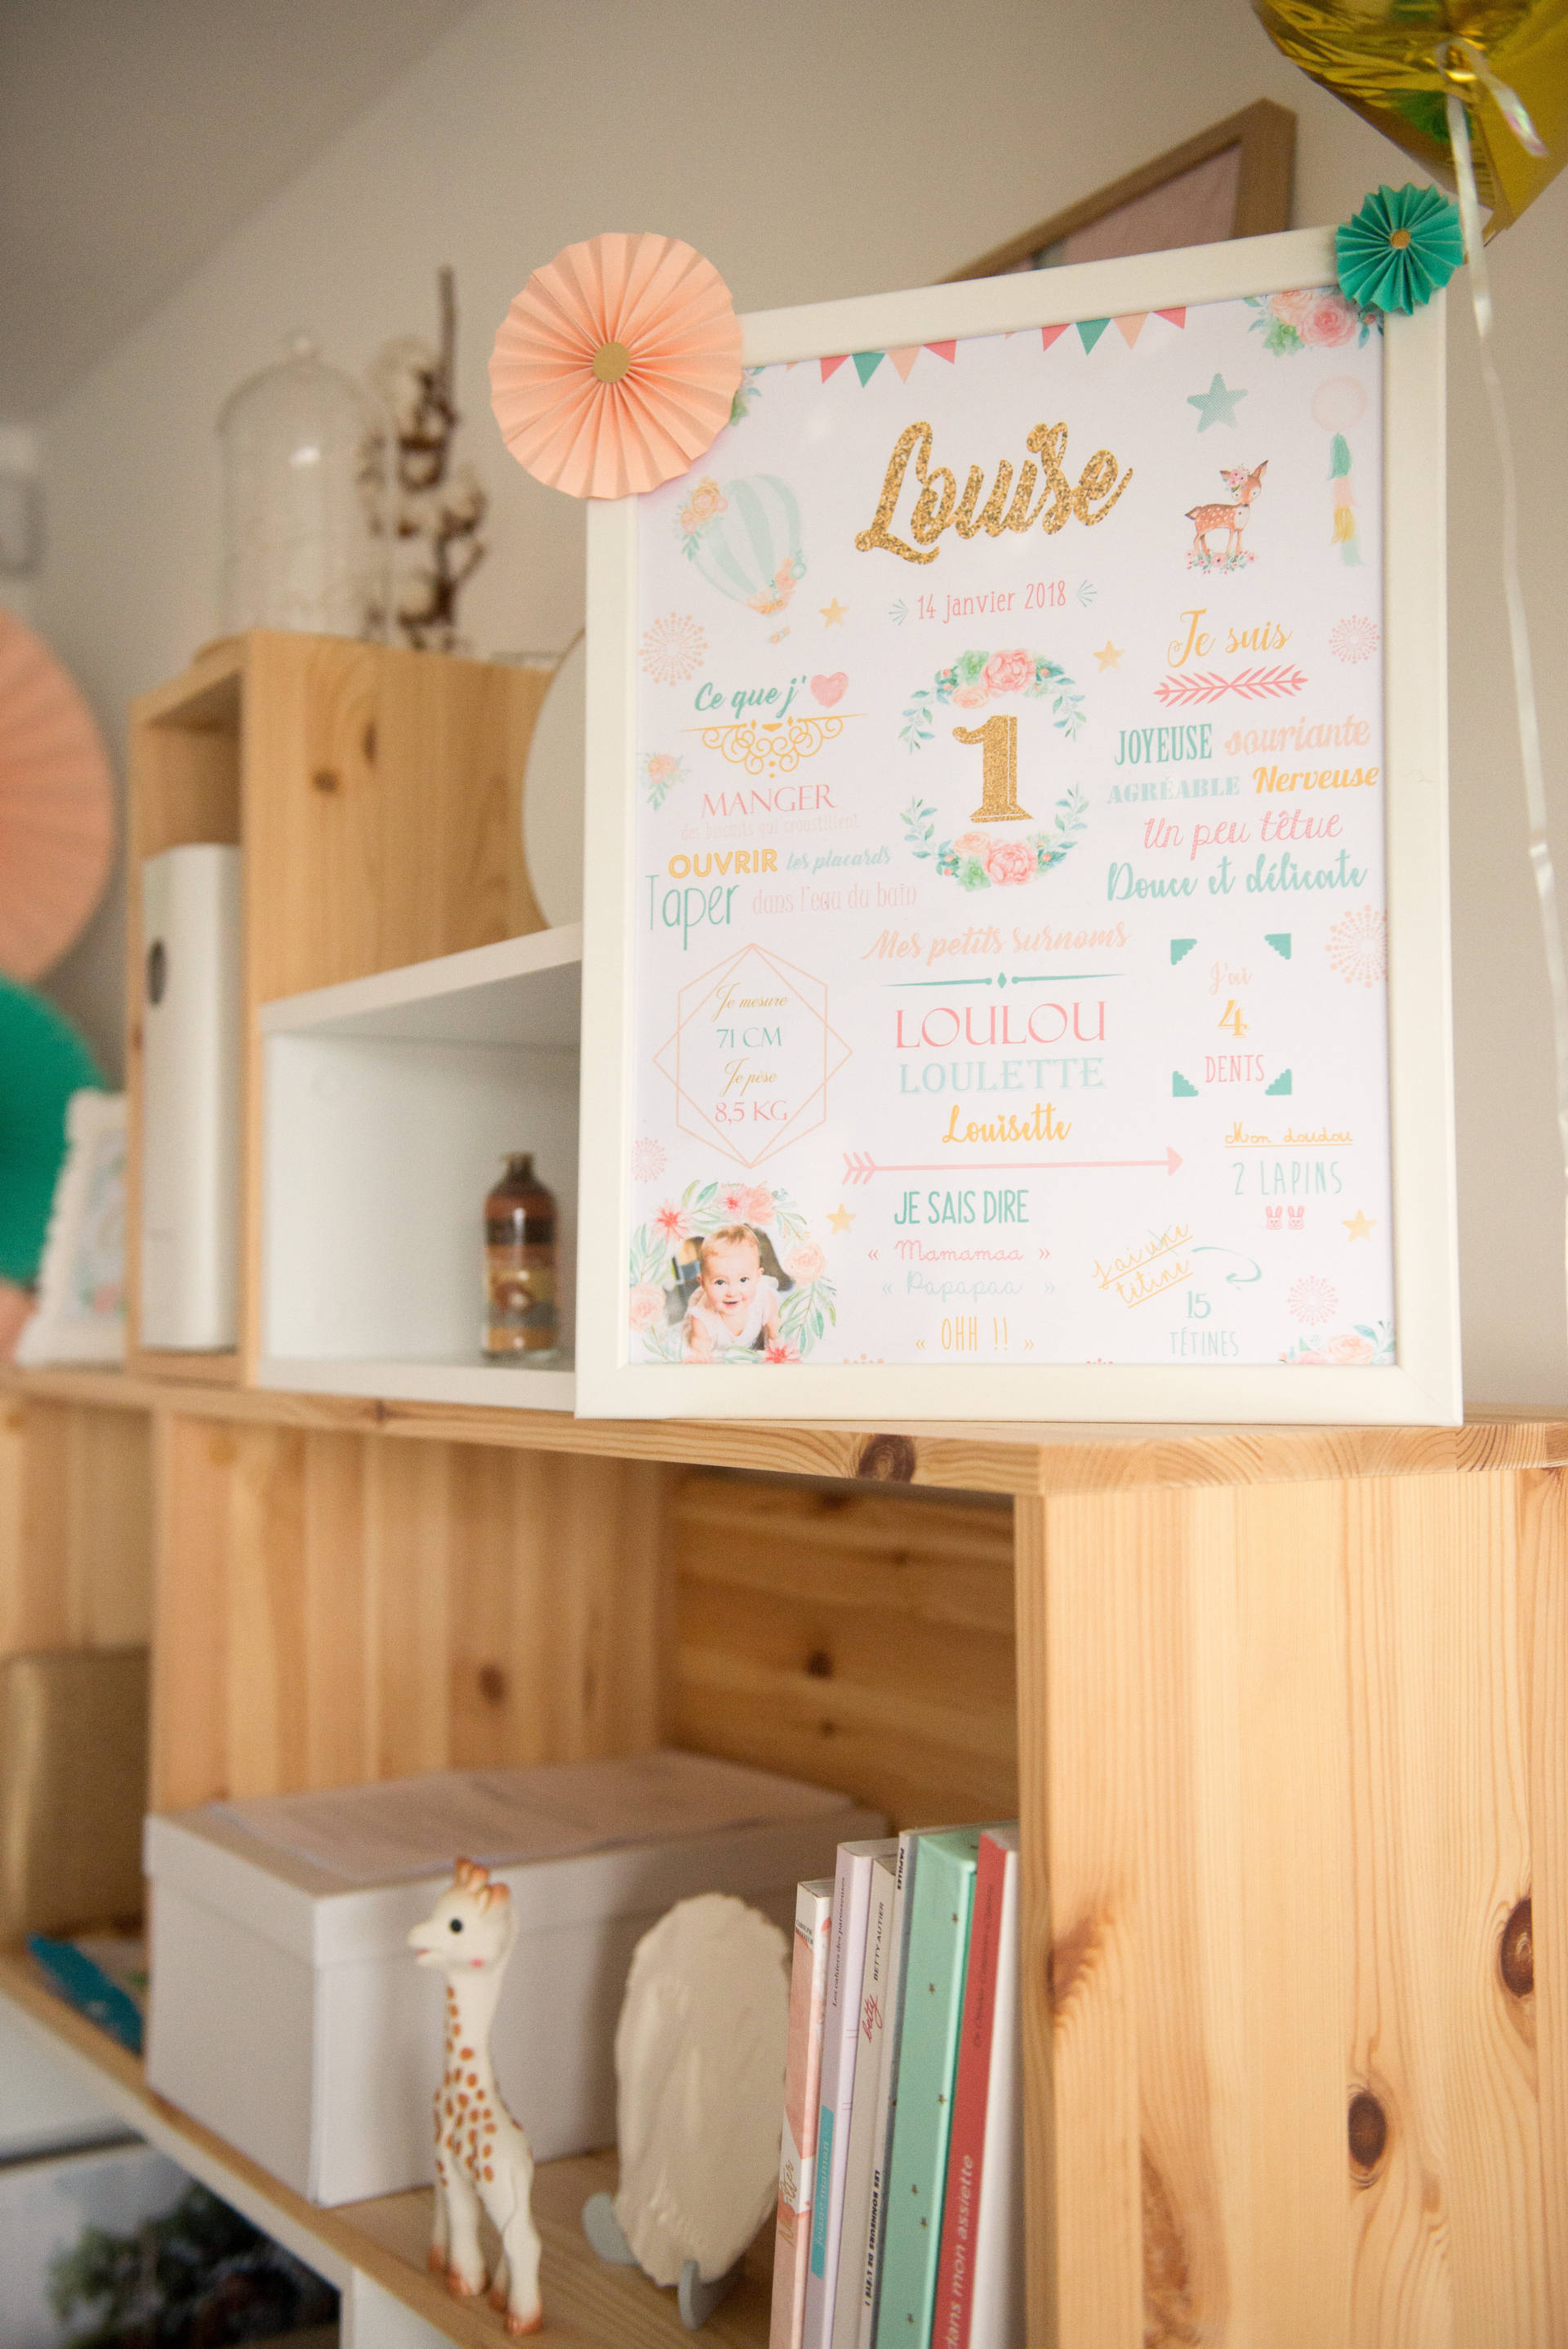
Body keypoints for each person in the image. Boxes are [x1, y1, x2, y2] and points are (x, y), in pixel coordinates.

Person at [682, 1225, 781, 1362]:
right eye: (720, 1282)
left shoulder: (764, 1299)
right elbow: (699, 1353)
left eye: (743, 1280)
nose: (732, 1293)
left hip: (755, 1349)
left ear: (758, 1278)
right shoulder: (702, 1318)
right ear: (703, 1283)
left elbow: (776, 1335)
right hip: (721, 1357)